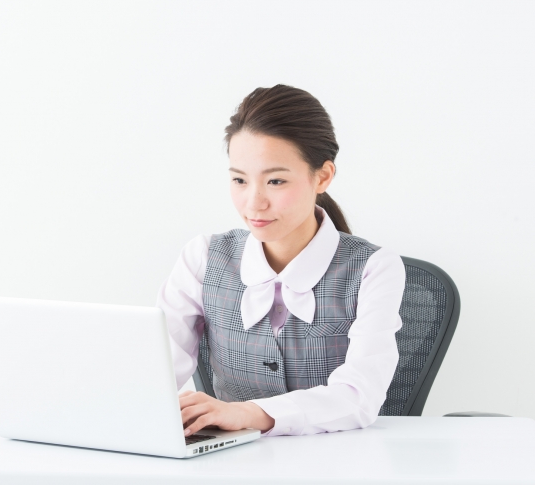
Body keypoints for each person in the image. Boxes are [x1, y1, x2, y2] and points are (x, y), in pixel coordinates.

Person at [156, 84, 406, 437]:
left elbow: (359, 396)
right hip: (230, 460)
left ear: (322, 176)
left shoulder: (373, 268)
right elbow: (155, 373)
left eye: (275, 181)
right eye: (239, 180)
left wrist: (249, 413)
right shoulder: (203, 258)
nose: (253, 203)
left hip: (340, 457)